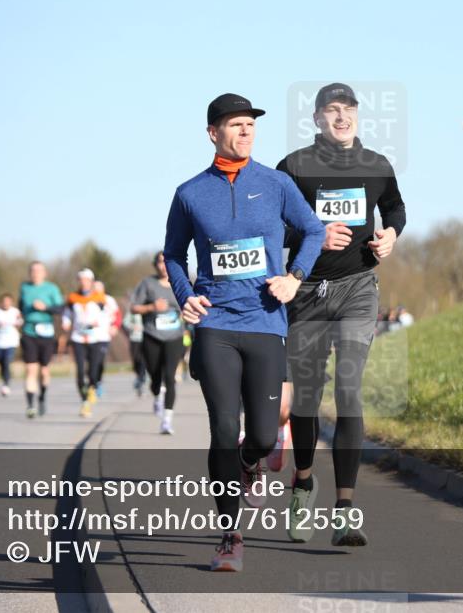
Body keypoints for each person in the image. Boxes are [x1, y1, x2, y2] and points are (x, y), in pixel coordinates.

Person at [164, 93, 324, 572]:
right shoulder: (190, 193)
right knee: (222, 428)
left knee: (261, 434)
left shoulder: (276, 184)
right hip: (215, 324)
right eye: (236, 124)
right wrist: (185, 294)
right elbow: (173, 254)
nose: (246, 131)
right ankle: (230, 536)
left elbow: (314, 231)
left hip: (265, 322)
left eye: (251, 124)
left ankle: (251, 462)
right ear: (213, 133)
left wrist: (294, 277)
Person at [277, 82, 406, 546]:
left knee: (349, 391)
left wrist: (390, 234)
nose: (341, 116)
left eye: (348, 108)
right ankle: (303, 482)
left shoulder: (376, 165)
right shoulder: (294, 167)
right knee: (307, 397)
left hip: (357, 288)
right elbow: (272, 226)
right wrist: (312, 234)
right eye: (331, 109)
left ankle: (346, 511)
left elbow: (395, 207)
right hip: (308, 292)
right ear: (317, 118)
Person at [131, 252, 185, 434]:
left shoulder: (180, 282)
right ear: (155, 265)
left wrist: (186, 312)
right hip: (152, 336)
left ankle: (167, 420)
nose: (163, 266)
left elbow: (190, 303)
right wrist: (151, 307)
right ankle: (156, 393)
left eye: (166, 262)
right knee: (155, 376)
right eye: (160, 262)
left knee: (170, 377)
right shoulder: (147, 284)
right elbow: (133, 307)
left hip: (174, 337)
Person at [18, 261, 64, 418]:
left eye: (39, 270)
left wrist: (45, 308)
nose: (35, 273)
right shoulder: (24, 287)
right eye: (33, 270)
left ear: (45, 273)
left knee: (44, 371)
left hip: (46, 332)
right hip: (29, 331)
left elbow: (60, 308)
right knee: (30, 369)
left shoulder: (52, 288)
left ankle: (42, 397)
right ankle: (30, 406)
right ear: (29, 273)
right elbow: (20, 306)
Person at [60, 269, 108, 418]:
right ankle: (85, 401)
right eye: (81, 280)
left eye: (86, 280)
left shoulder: (99, 297)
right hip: (78, 338)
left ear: (91, 282)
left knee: (93, 372)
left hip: (95, 338)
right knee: (80, 373)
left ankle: (93, 388)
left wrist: (99, 323)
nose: (84, 283)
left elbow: (106, 315)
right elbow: (67, 313)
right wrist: (66, 322)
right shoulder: (72, 297)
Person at [0, 293, 23, 397]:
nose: (6, 303)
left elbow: (21, 322)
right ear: (1, 302)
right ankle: (5, 379)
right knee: (1, 363)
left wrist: (17, 324)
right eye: (4, 301)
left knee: (7, 361)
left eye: (8, 301)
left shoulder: (15, 312)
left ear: (11, 302)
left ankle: (6, 384)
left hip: (11, 341)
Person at [91, 280, 120, 398]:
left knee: (99, 361)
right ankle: (92, 383)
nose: (97, 290)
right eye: (94, 287)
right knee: (91, 361)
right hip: (89, 336)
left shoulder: (109, 300)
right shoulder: (88, 300)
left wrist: (115, 326)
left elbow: (117, 315)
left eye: (99, 288)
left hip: (104, 335)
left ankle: (98, 382)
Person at [121, 299, 147, 395]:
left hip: (146, 338)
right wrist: (132, 326)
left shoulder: (148, 309)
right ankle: (138, 376)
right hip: (134, 338)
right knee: (136, 359)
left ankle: (142, 379)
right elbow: (125, 322)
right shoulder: (133, 310)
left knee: (143, 360)